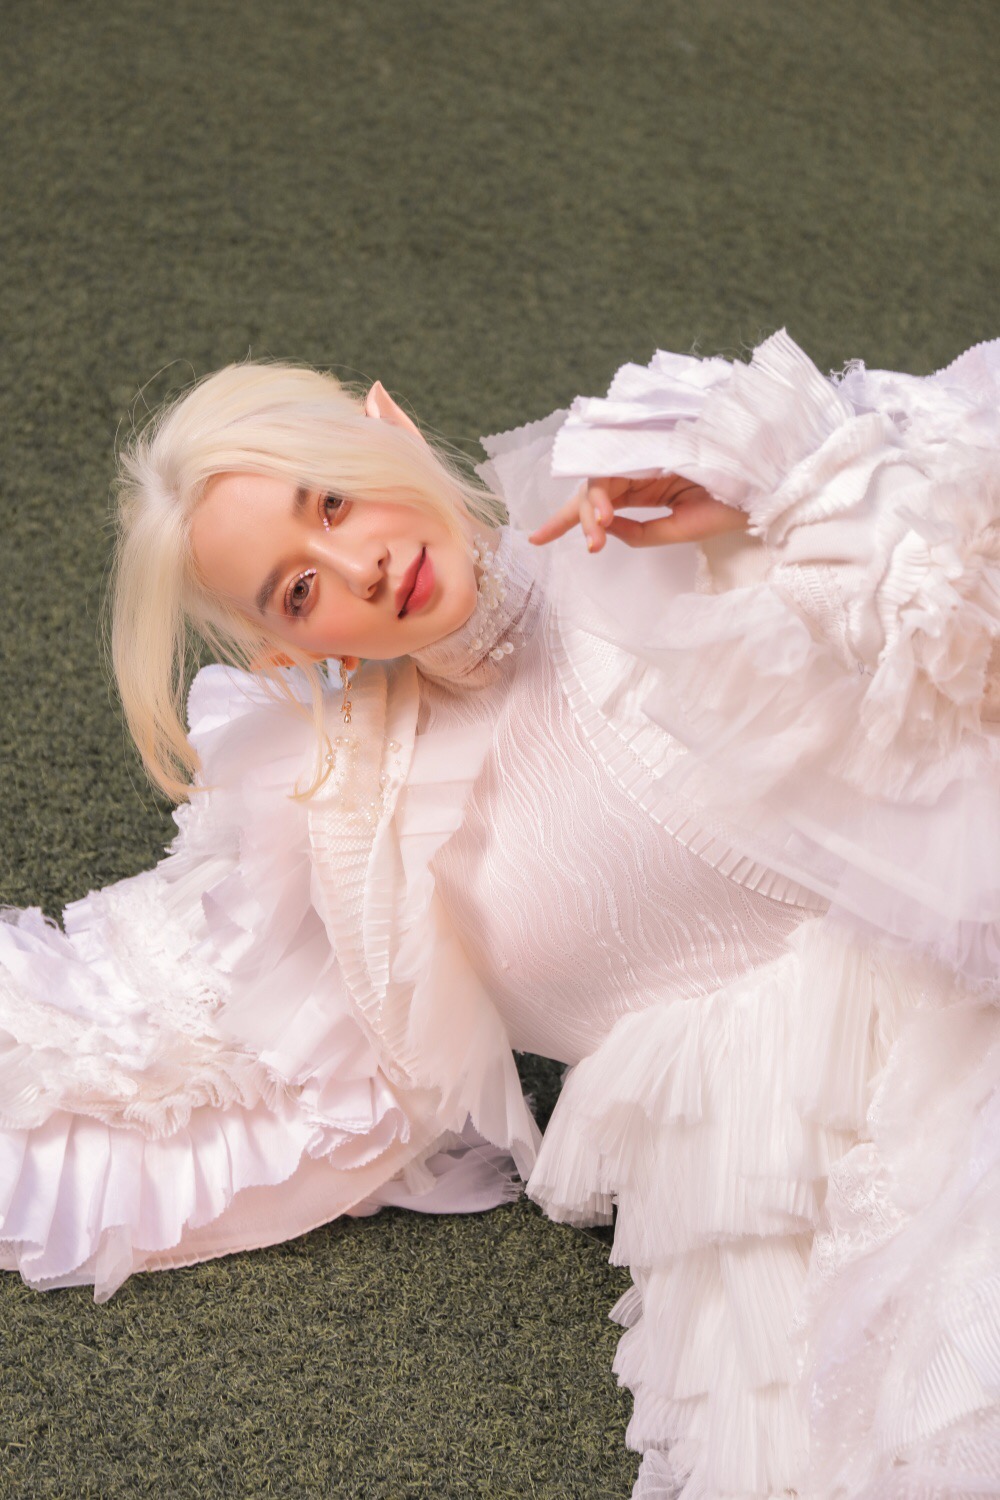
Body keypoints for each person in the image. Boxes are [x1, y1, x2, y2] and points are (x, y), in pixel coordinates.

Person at [2, 328, 999, 1498]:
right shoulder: (362, 835)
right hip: (774, 1181)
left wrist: (784, 496)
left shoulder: (664, 502)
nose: (362, 565)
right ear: (280, 651)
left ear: (386, 427)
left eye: (334, 501)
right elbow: (177, 1041)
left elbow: (960, 591)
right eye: (301, 587)